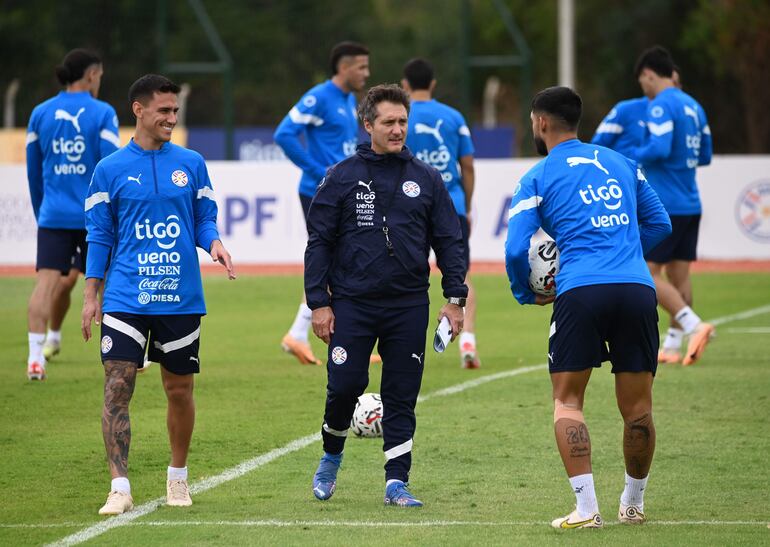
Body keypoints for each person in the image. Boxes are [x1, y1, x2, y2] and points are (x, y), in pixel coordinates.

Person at [505, 86, 671, 528]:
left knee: (568, 402)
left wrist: (527, 292)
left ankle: (586, 509)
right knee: (638, 408)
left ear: (540, 123)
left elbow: (516, 248)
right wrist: (628, 255)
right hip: (636, 289)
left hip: (580, 291)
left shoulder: (538, 176)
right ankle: (633, 504)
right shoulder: (622, 163)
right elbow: (660, 222)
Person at [305, 84, 467, 507]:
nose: (397, 130)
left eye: (402, 122)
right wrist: (318, 303)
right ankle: (331, 455)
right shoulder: (341, 177)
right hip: (352, 304)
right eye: (388, 122)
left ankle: (396, 482)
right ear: (368, 125)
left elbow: (450, 241)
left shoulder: (426, 179)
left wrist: (455, 298)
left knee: (401, 393)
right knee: (345, 385)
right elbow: (318, 241)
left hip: (409, 304)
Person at [81, 74, 235, 516]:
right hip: (126, 296)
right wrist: (92, 295)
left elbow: (205, 218)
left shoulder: (192, 162)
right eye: (164, 111)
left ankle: (178, 479)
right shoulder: (108, 170)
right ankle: (120, 487)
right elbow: (100, 236)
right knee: (116, 388)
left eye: (175, 111)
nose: (172, 118)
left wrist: (215, 242)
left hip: (180, 296)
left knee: (180, 390)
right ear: (139, 110)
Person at [25, 48, 120, 380]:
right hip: (94, 216)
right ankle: (116, 353)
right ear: (92, 74)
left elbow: (33, 173)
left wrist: (43, 212)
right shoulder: (103, 112)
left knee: (46, 284)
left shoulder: (40, 113)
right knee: (108, 284)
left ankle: (35, 359)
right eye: (100, 76)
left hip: (53, 215)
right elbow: (111, 167)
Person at [274, 41, 370, 365]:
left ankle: (301, 334)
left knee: (341, 261)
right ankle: (319, 336)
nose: (366, 74)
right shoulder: (319, 96)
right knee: (338, 260)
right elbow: (284, 134)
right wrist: (317, 171)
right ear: (343, 68)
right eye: (361, 67)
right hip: (320, 192)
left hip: (343, 190)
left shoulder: (347, 99)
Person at [630, 46, 714, 366]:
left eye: (643, 83)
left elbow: (660, 147)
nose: (644, 90)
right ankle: (675, 345)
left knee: (646, 271)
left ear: (649, 75)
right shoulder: (694, 105)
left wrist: (629, 159)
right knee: (680, 274)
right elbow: (705, 155)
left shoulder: (661, 105)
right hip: (691, 201)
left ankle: (694, 325)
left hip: (665, 204)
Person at [401, 58, 480, 369]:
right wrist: (468, 205)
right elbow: (469, 165)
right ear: (432, 84)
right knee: (461, 274)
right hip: (453, 206)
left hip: (410, 207)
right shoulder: (454, 117)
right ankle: (468, 341)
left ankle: (399, 343)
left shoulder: (400, 116)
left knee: (404, 274)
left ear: (404, 85)